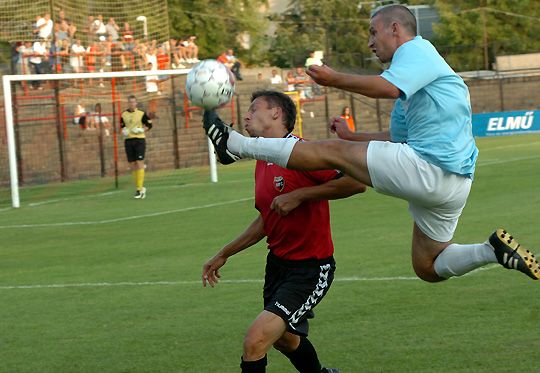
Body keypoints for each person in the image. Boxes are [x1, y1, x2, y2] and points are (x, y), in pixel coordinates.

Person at [202, 4, 539, 282]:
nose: (369, 42)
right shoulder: (413, 85)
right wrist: (353, 137)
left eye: (373, 32)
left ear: (396, 29)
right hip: (454, 182)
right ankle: (490, 251)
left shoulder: (418, 50)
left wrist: (335, 80)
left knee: (330, 153)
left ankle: (237, 146)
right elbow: (396, 138)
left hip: (430, 169)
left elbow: (386, 87)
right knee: (427, 267)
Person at [202, 90, 365, 373]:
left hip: (311, 269)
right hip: (278, 266)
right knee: (286, 340)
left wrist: (301, 195)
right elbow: (267, 219)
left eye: (254, 108)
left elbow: (356, 182)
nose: (247, 115)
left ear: (276, 114)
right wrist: (224, 253)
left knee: (255, 341)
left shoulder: (303, 153)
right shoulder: (263, 161)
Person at [120, 95, 153, 199]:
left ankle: (139, 189)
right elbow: (122, 127)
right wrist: (123, 131)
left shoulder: (141, 113)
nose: (132, 104)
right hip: (128, 141)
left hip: (139, 140)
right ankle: (139, 188)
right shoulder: (123, 114)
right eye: (130, 102)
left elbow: (149, 125)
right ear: (128, 103)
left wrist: (142, 130)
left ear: (136, 103)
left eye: (133, 102)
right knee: (132, 165)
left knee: (139, 163)